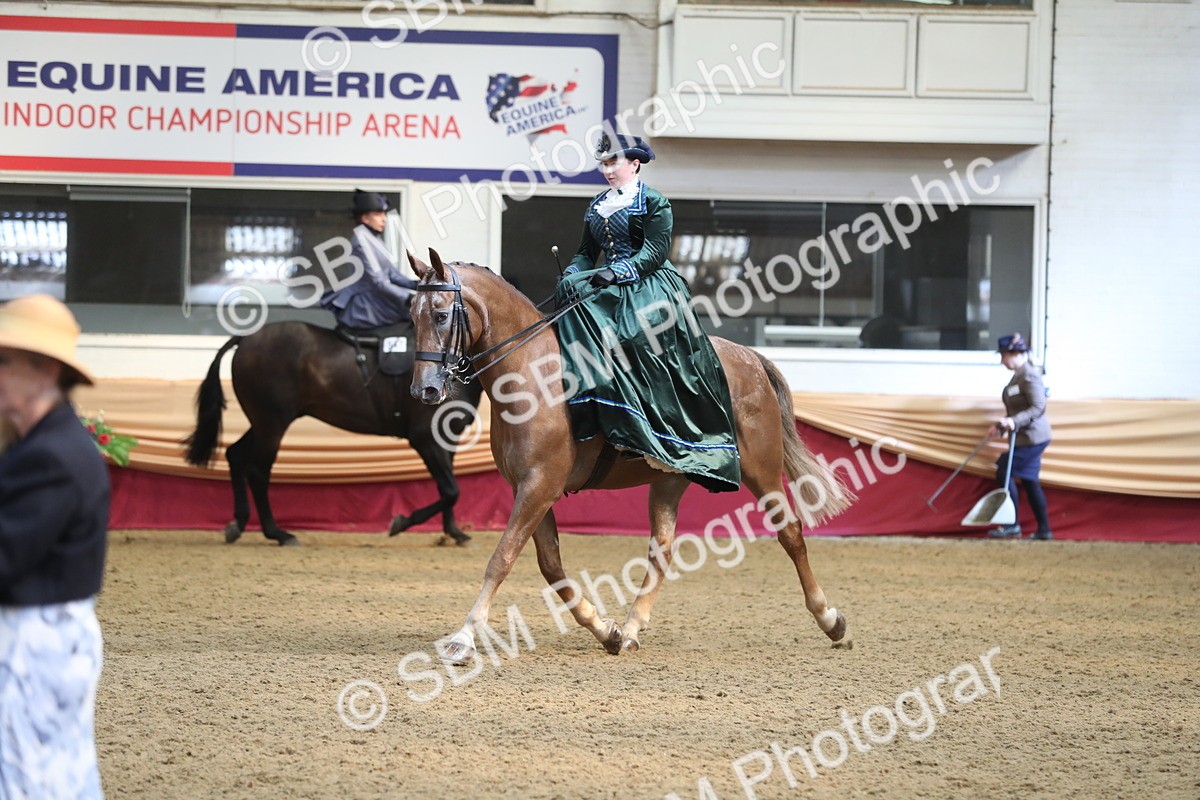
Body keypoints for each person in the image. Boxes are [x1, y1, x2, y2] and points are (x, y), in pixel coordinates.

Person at [554, 133, 741, 493]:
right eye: (603, 164)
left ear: (634, 163)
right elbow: (585, 252)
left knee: (631, 337)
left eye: (614, 163)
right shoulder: (597, 205)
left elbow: (654, 251)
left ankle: (643, 422)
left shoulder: (654, 202)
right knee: (569, 313)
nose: (607, 170)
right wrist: (573, 272)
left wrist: (617, 271)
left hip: (649, 285)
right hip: (606, 282)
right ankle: (589, 408)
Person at [0, 294, 109, 798]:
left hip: (32, 643)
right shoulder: (41, 445)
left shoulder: (50, 456)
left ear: (44, 370)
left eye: (3, 361)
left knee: (27, 780)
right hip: (45, 637)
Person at [319, 189, 417, 329]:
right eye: (378, 214)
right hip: (367, 303)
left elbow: (391, 274)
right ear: (365, 218)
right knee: (415, 315)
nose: (384, 219)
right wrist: (407, 297)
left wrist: (415, 284)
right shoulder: (361, 240)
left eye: (384, 214)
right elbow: (377, 281)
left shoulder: (375, 239)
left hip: (378, 296)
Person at [988, 332, 1053, 540]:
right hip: (1025, 437)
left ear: (1015, 353)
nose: (1001, 361)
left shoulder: (1029, 376)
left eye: (1003, 356)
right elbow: (1018, 409)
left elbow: (1037, 407)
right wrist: (1004, 426)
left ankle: (1011, 524)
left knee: (1004, 469)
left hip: (1033, 438)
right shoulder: (1019, 376)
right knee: (1030, 482)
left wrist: (1013, 422)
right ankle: (1044, 530)